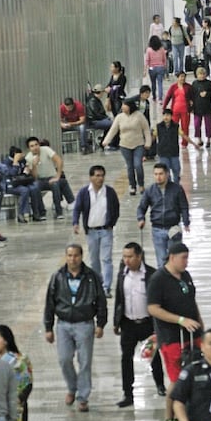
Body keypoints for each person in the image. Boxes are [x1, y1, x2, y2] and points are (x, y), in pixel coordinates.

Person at [147, 242, 203, 421]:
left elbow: (192, 304)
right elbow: (153, 308)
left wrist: (201, 331)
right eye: (183, 258)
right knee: (177, 381)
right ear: (172, 257)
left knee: (193, 376)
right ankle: (170, 420)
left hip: (192, 336)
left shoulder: (185, 276)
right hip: (172, 339)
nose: (186, 262)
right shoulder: (158, 279)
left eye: (187, 258)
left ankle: (190, 415)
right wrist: (179, 320)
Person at [43, 244, 108, 412]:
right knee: (64, 359)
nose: (73, 259)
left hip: (85, 324)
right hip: (63, 324)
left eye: (76, 255)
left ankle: (83, 397)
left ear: (81, 256)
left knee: (85, 361)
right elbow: (50, 302)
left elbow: (101, 301)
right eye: (70, 255)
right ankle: (72, 387)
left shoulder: (92, 277)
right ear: (66, 257)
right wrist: (48, 327)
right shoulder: (57, 277)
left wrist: (100, 324)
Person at [112, 242, 166, 408]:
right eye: (124, 257)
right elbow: (119, 299)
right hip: (128, 324)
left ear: (139, 256)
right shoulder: (122, 275)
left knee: (154, 356)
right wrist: (116, 321)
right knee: (125, 358)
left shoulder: (152, 275)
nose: (126, 260)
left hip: (148, 324)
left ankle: (160, 385)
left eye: (130, 257)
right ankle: (128, 393)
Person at [72, 165, 120, 298]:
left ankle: (106, 287)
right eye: (97, 175)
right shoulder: (84, 192)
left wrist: (112, 223)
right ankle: (96, 285)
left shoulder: (109, 192)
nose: (100, 178)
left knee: (106, 259)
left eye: (102, 175)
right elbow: (77, 209)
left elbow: (116, 208)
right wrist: (75, 223)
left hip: (106, 230)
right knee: (94, 260)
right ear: (91, 177)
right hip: (91, 232)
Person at [137, 162, 191, 267]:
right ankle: (163, 281)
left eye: (161, 174)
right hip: (157, 229)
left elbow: (184, 206)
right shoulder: (150, 190)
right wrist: (141, 218)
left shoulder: (177, 189)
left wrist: (186, 222)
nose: (158, 177)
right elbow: (142, 207)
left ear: (167, 174)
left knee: (175, 260)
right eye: (156, 174)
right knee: (161, 261)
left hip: (173, 228)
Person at [102, 99, 152, 195]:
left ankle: (141, 184)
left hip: (138, 144)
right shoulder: (119, 117)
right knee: (130, 166)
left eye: (124, 105)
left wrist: (148, 142)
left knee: (138, 164)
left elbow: (146, 129)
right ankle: (132, 186)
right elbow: (113, 130)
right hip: (125, 145)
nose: (122, 107)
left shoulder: (139, 116)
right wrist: (106, 141)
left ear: (130, 106)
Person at [24, 135, 75, 220]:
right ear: (29, 148)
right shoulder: (28, 157)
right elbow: (35, 177)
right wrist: (34, 165)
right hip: (40, 179)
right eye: (32, 146)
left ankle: (58, 211)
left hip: (51, 176)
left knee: (55, 184)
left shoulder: (46, 150)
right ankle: (42, 212)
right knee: (35, 187)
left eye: (36, 144)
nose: (35, 147)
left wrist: (58, 176)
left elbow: (58, 160)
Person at [164, 71, 195, 148]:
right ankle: (172, 142)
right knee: (173, 127)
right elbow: (168, 97)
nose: (183, 78)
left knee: (185, 127)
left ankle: (184, 143)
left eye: (184, 76)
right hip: (175, 110)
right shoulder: (173, 87)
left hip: (185, 111)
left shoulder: (189, 87)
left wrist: (192, 108)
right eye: (181, 76)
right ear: (177, 78)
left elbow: (193, 98)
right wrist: (164, 107)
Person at [190, 67, 211, 148]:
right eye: (200, 74)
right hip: (197, 108)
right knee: (197, 124)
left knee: (208, 125)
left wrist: (207, 94)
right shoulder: (194, 83)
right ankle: (199, 139)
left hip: (207, 107)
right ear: (197, 75)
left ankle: (208, 140)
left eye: (203, 74)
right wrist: (191, 107)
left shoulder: (209, 83)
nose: (201, 76)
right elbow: (192, 96)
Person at [144, 35, 168, 102]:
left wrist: (145, 70)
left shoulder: (148, 50)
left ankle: (154, 96)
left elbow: (147, 60)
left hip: (152, 69)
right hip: (160, 68)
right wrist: (165, 67)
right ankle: (160, 98)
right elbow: (164, 59)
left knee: (153, 83)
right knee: (160, 83)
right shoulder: (162, 49)